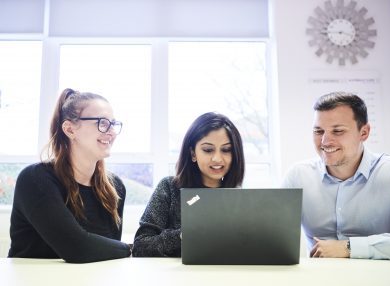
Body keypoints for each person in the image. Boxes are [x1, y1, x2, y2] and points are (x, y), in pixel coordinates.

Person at [8, 88, 132, 263]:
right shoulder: (35, 179)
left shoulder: (115, 188)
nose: (111, 131)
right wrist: (131, 248)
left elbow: (107, 250)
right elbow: (77, 248)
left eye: (113, 124)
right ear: (70, 129)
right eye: (102, 123)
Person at [283, 92, 390, 260]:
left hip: (382, 281)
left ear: (364, 132)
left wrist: (349, 247)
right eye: (318, 131)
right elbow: (275, 239)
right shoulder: (298, 176)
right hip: (319, 281)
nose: (325, 141)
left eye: (337, 131)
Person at [133, 112, 245, 257]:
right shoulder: (169, 188)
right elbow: (141, 246)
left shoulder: (239, 197)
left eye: (226, 150)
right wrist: (184, 235)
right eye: (208, 150)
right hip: (178, 278)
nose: (217, 158)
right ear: (193, 153)